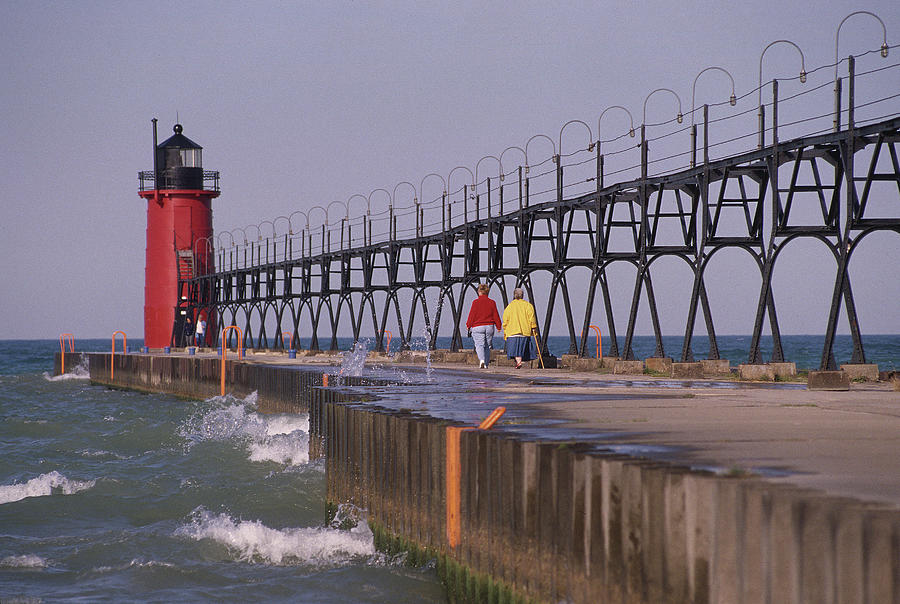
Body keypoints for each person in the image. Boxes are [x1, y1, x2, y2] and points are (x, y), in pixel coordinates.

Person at [502, 288, 538, 369]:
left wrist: (505, 329)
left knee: (515, 350)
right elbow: (531, 318)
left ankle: (518, 362)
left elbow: (505, 320)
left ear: (514, 295)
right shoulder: (528, 305)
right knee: (521, 348)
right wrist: (533, 327)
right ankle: (519, 362)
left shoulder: (509, 306)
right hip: (524, 331)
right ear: (522, 295)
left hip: (512, 332)